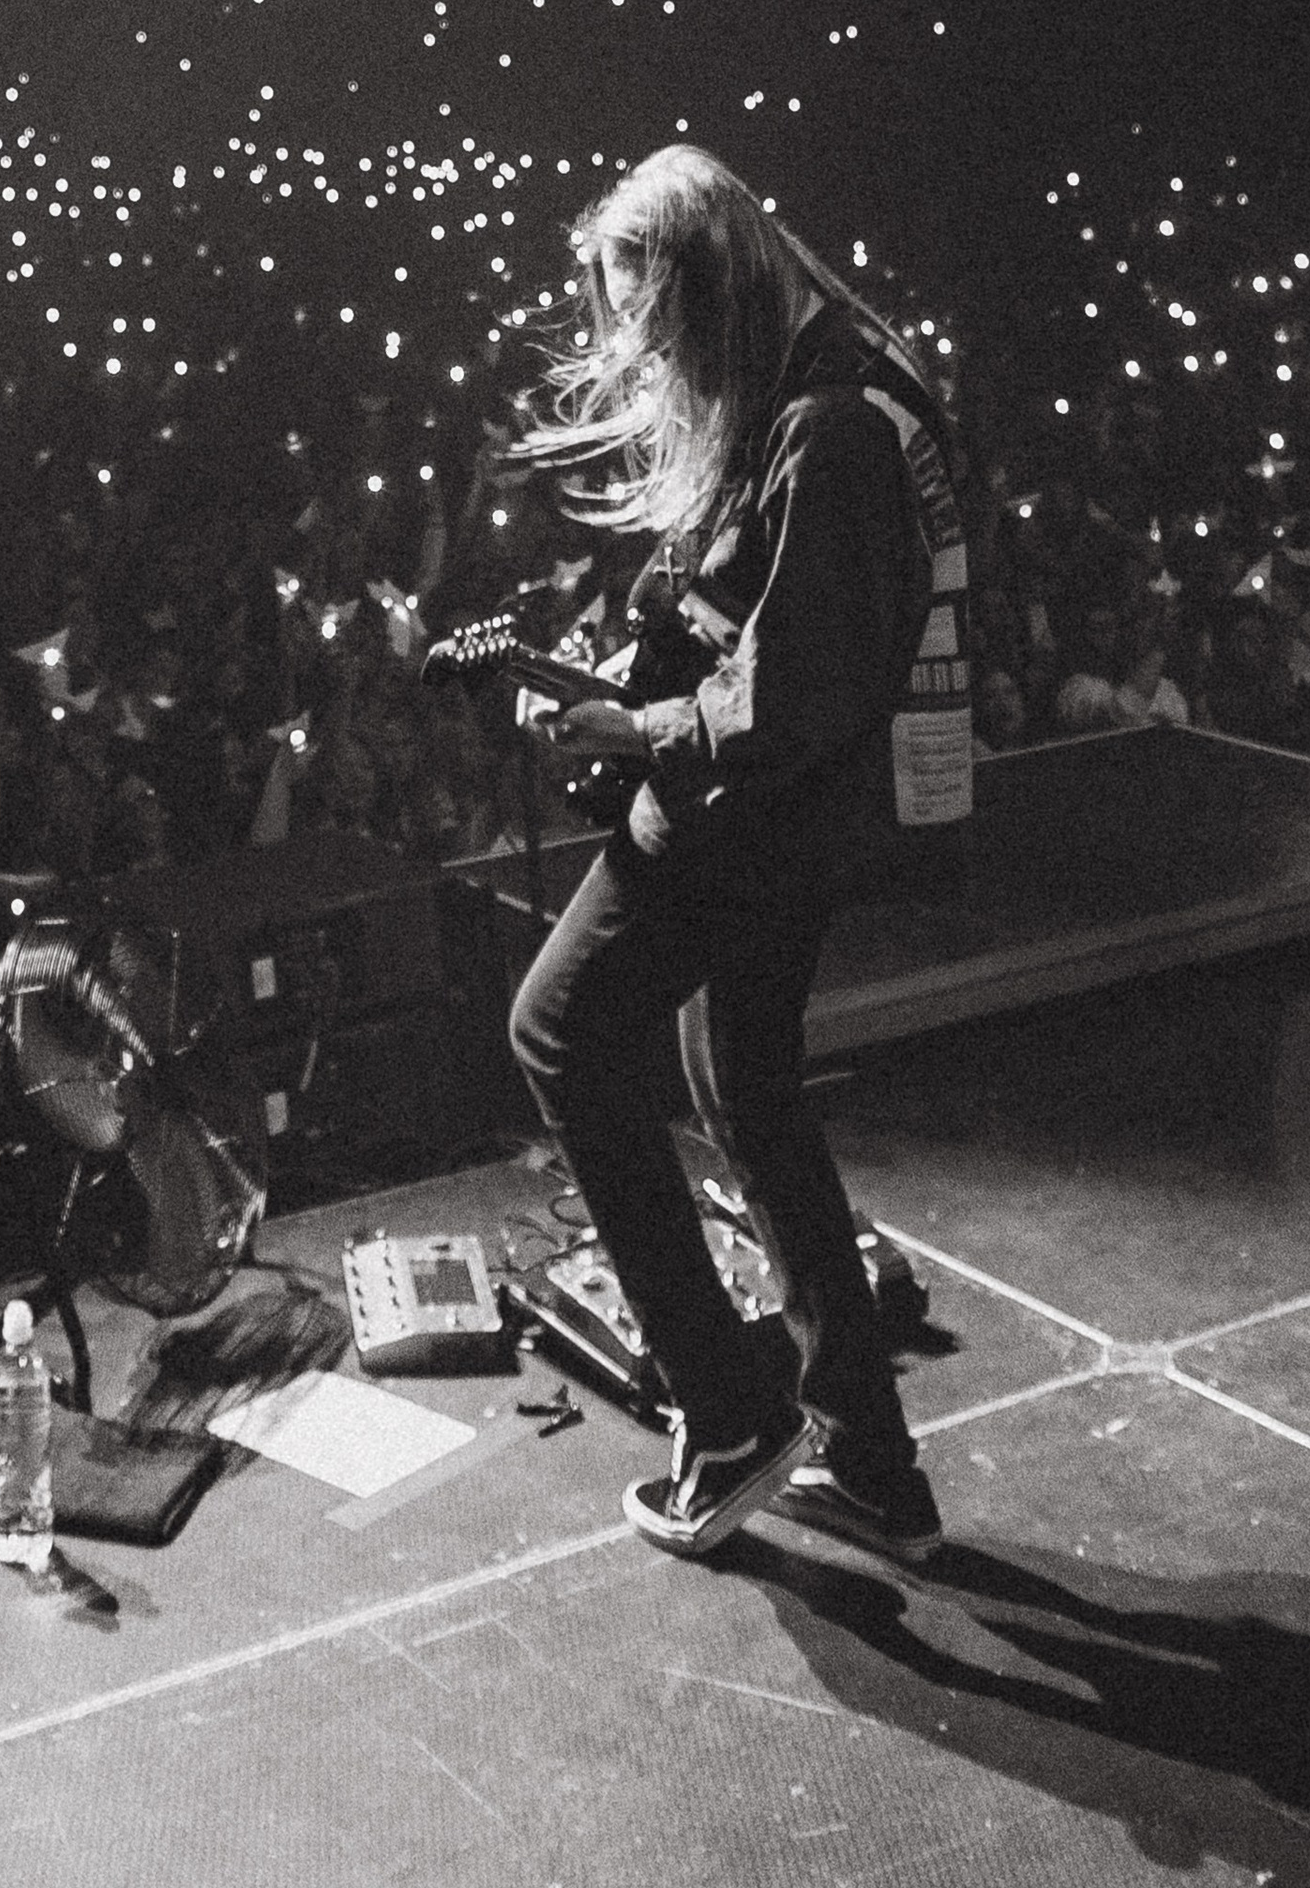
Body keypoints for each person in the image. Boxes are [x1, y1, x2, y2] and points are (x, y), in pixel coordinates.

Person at [507, 143, 950, 1563]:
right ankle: (867, 1460)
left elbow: (787, 698)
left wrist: (630, 726)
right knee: (745, 1089)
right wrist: (615, 675)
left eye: (650, 318)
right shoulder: (810, 386)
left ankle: (730, 1409)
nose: (643, 352)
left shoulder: (833, 427)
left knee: (558, 1029)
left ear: (706, 289)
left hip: (752, 816)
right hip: (790, 814)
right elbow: (748, 613)